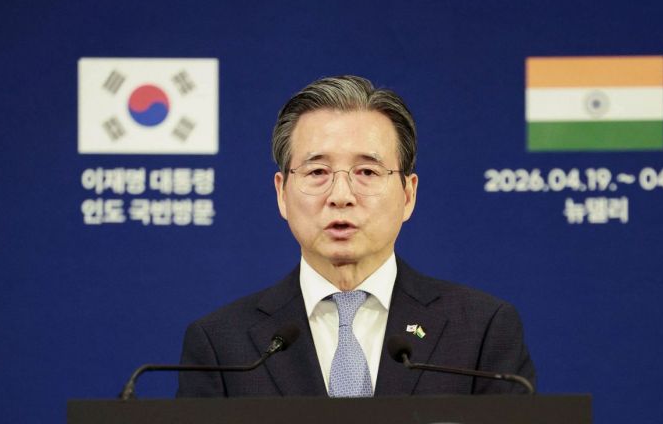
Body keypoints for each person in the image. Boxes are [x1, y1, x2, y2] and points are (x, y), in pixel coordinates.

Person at [177, 75, 535, 397]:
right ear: (282, 193)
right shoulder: (221, 345)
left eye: (367, 171)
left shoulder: (481, 329)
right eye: (317, 171)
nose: (341, 195)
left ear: (408, 194)